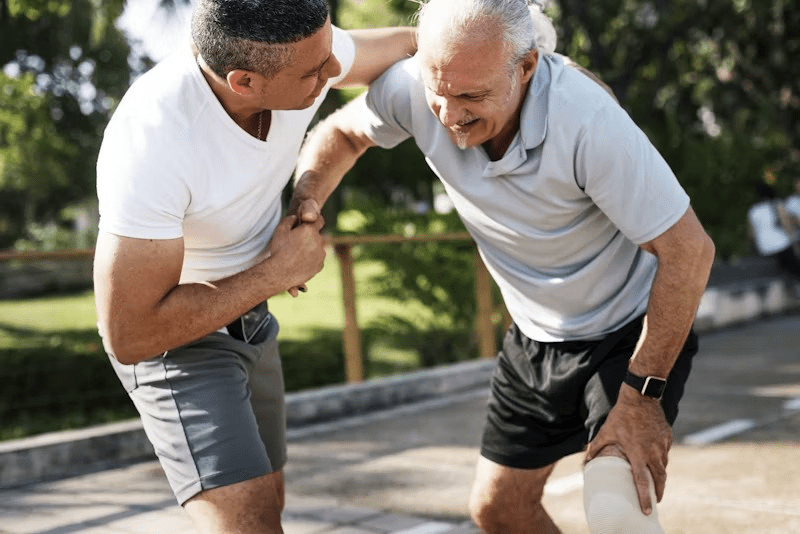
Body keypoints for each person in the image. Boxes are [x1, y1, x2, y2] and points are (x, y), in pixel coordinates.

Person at [290, 0, 715, 532]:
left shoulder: (586, 120)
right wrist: (306, 203)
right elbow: (343, 134)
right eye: (437, 92)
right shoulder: (414, 86)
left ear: (527, 67)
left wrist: (642, 396)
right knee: (499, 511)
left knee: (616, 509)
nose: (450, 115)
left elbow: (689, 250)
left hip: (626, 332)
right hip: (534, 337)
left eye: (472, 96)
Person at [92, 1, 416, 532]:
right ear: (244, 82)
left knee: (271, 504)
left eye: (330, 52)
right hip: (176, 339)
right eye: (315, 72)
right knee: (250, 522)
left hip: (254, 321)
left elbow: (415, 44)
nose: (335, 73)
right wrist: (274, 273)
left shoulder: (301, 53)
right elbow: (129, 331)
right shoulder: (152, 138)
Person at [748, 181, 800, 278]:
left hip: (764, 248)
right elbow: (786, 225)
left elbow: (752, 234)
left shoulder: (753, 210)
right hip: (782, 245)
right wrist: (794, 241)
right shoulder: (777, 204)